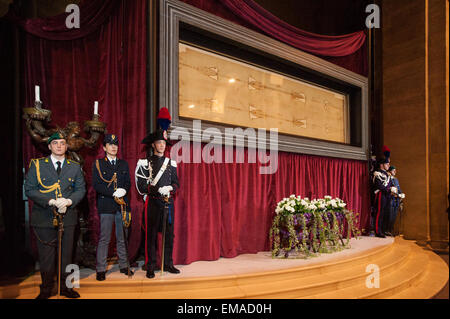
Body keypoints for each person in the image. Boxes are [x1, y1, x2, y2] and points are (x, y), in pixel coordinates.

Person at [24, 131, 86, 299]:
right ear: (50, 146)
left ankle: (67, 287)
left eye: (62, 143)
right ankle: (45, 289)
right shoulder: (37, 165)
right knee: (46, 257)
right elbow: (29, 189)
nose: (59, 146)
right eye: (55, 143)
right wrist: (50, 201)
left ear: (66, 146)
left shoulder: (74, 166)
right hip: (44, 217)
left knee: (68, 255)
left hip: (68, 216)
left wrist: (68, 201)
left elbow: (81, 189)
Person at [135, 129, 180, 279]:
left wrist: (170, 188)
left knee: (169, 235)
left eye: (163, 143)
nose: (161, 145)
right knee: (151, 236)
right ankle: (150, 266)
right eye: (159, 142)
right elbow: (141, 186)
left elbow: (176, 183)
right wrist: (156, 189)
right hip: (152, 203)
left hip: (168, 203)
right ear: (153, 145)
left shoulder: (171, 163)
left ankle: (168, 263)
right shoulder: (144, 162)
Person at [92, 134, 133, 281]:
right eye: (110, 144)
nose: (113, 147)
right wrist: (113, 192)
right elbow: (96, 185)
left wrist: (123, 190)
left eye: (115, 144)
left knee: (122, 237)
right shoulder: (98, 163)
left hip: (122, 205)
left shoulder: (123, 164)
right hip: (106, 204)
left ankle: (123, 265)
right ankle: (101, 268)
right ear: (104, 147)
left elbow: (128, 182)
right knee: (105, 238)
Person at [372, 156, 397, 238]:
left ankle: (383, 230)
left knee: (385, 213)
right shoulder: (377, 173)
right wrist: (389, 190)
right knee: (379, 213)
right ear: (381, 165)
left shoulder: (387, 174)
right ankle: (378, 231)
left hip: (387, 195)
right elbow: (379, 186)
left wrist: (393, 189)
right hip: (380, 195)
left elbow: (390, 184)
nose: (388, 165)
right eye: (387, 164)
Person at [386, 166, 405, 236]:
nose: (395, 172)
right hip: (391, 199)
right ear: (390, 171)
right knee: (390, 216)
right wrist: (396, 194)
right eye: (393, 170)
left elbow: (398, 188)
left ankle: (390, 230)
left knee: (394, 216)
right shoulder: (388, 179)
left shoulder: (396, 179)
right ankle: (387, 230)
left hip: (396, 200)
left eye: (395, 170)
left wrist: (401, 194)